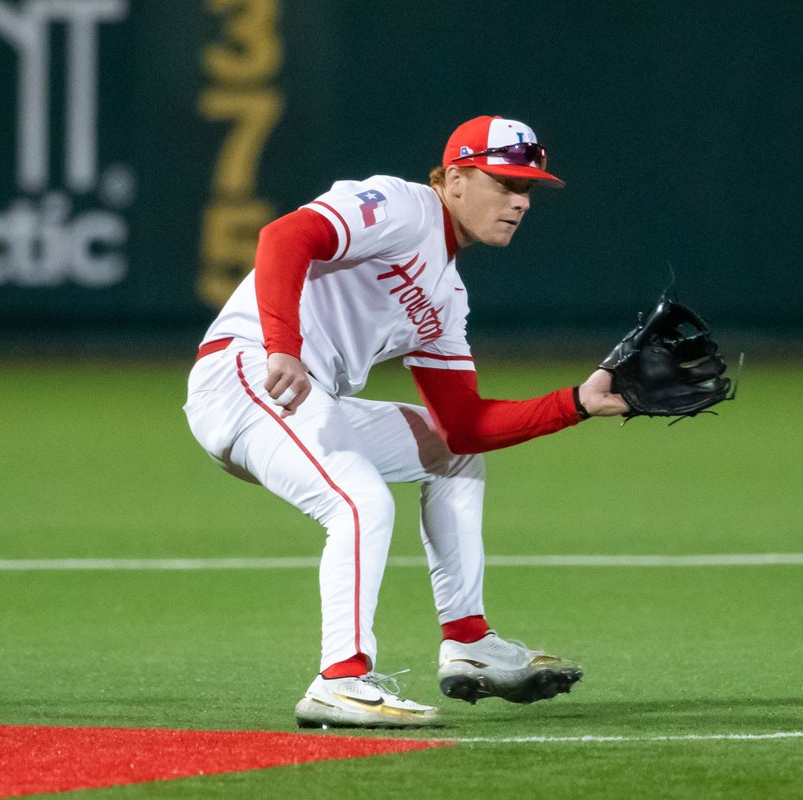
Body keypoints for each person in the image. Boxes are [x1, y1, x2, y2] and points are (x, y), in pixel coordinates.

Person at [183, 115, 628, 728]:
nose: (519, 201)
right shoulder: (403, 205)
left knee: (452, 454)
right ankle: (339, 680)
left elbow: (465, 425)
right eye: (502, 182)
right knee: (361, 502)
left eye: (527, 189)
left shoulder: (447, 296)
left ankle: (469, 640)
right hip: (248, 373)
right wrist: (283, 343)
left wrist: (579, 401)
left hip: (302, 396)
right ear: (452, 178)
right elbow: (285, 236)